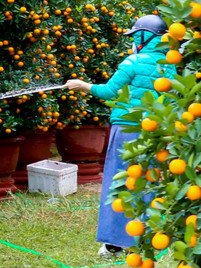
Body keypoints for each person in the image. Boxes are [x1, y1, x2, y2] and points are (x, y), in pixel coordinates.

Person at [65, 14, 168, 255]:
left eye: (135, 36)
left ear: (143, 38)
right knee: (147, 181)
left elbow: (110, 92)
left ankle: (114, 242)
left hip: (127, 130)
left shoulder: (132, 62)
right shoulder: (170, 65)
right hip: (155, 132)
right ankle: (148, 238)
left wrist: (82, 85)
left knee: (119, 182)